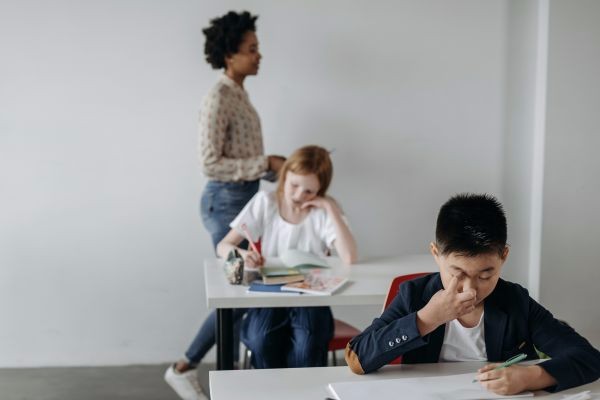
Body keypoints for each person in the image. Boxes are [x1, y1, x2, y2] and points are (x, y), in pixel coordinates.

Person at [345, 193, 600, 395]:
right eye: (457, 273)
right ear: (436, 255)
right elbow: (357, 359)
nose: (470, 289)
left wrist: (530, 377)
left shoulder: (515, 302)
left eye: (485, 276)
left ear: (504, 257)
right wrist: (426, 319)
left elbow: (588, 358)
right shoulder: (415, 296)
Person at [165, 10, 284, 400]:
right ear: (230, 55)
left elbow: (239, 157)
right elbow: (210, 162)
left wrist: (275, 168)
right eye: (252, 49)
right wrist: (265, 164)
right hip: (225, 202)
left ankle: (222, 379)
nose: (259, 55)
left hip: (245, 199)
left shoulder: (239, 94)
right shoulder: (218, 98)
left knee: (244, 291)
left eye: (258, 47)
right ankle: (186, 368)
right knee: (234, 293)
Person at [217, 145, 358, 369]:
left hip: (311, 298)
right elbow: (223, 246)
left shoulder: (322, 211)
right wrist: (243, 254)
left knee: (307, 344)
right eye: (294, 185)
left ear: (320, 190)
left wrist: (330, 207)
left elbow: (349, 257)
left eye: (310, 191)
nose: (299, 196)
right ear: (284, 177)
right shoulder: (266, 202)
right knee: (261, 339)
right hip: (269, 296)